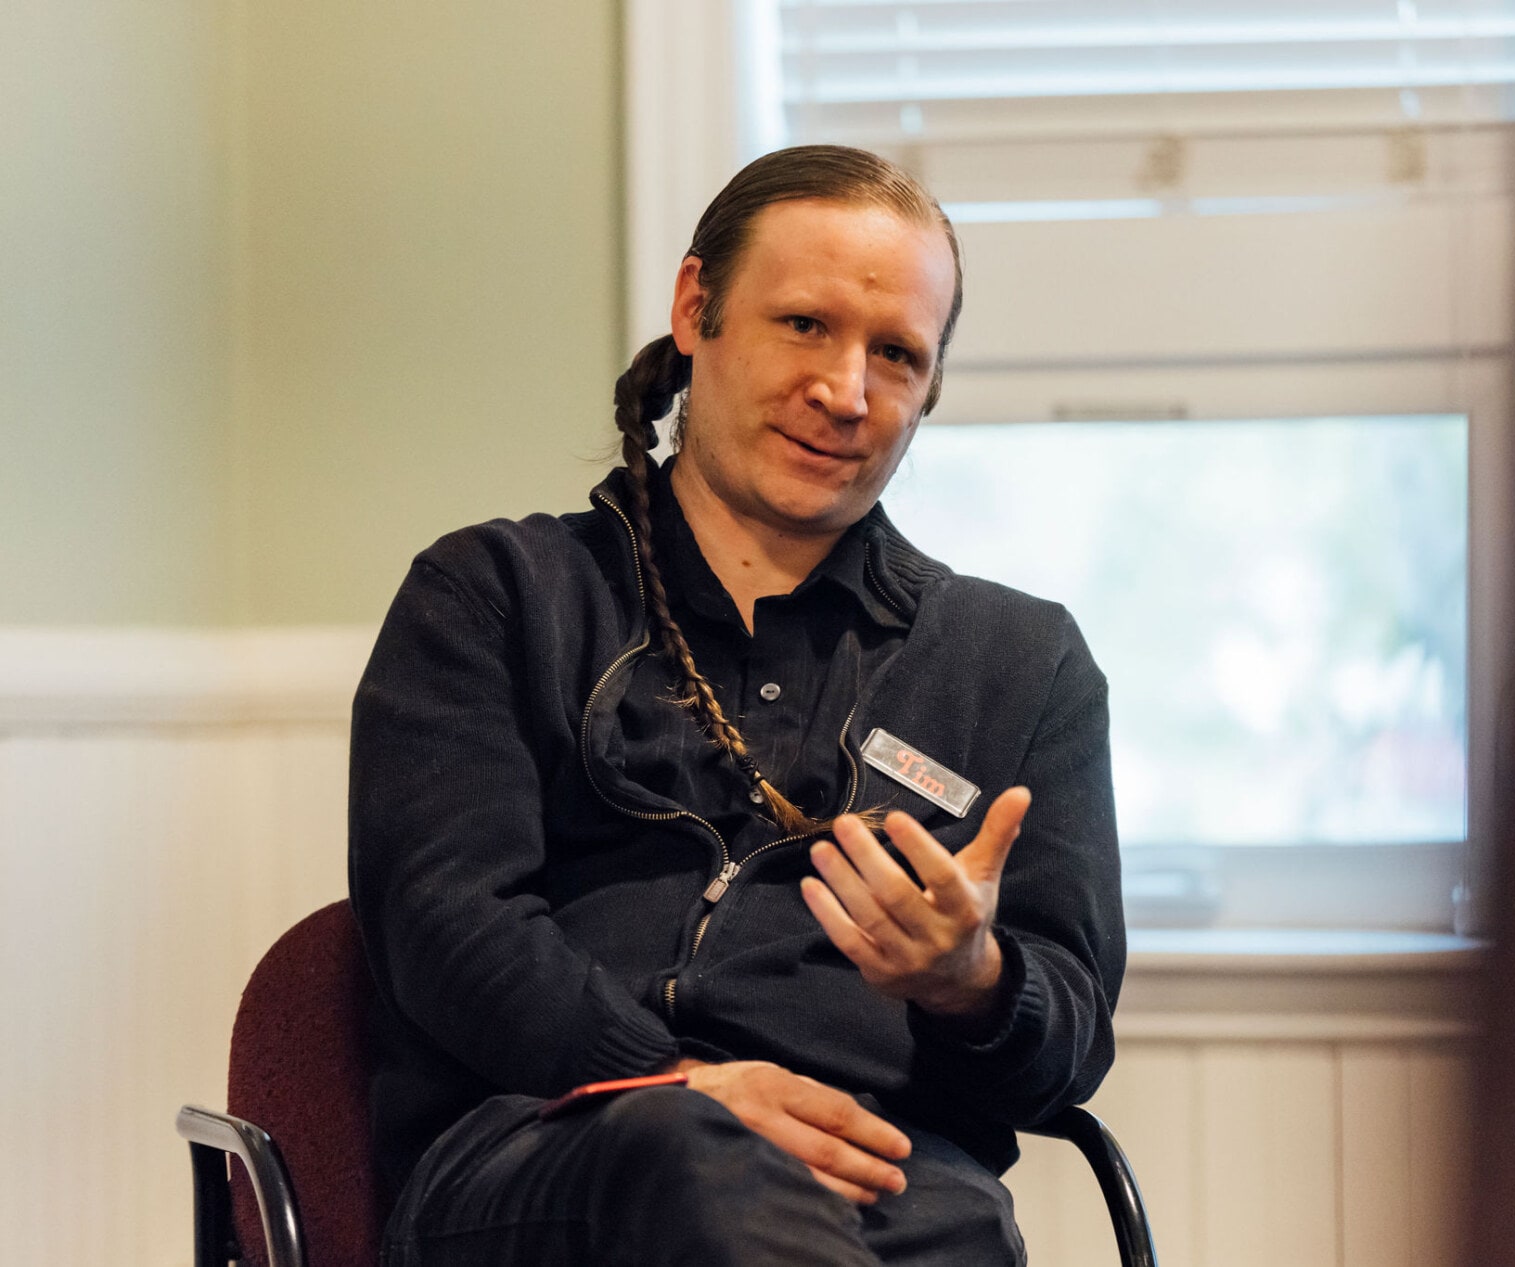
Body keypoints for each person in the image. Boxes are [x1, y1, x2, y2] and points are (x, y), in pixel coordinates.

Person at [348, 145, 1124, 1266]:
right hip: (553, 1150)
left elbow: (1067, 1041)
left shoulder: (1021, 663)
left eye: (895, 354)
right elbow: (445, 927)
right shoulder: (495, 596)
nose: (846, 392)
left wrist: (974, 982)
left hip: (889, 1179)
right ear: (694, 308)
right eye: (804, 324)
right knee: (693, 1158)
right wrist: (684, 1082)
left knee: (960, 1231)